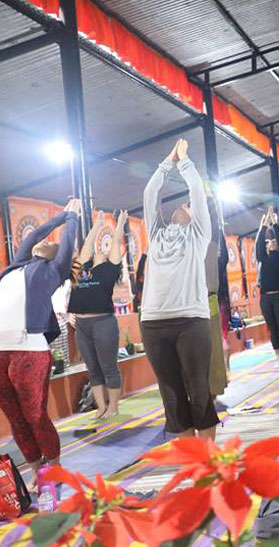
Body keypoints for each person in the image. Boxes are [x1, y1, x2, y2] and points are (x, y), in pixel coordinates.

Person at [140, 139, 219, 439]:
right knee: (170, 393)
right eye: (179, 205)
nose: (181, 207)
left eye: (186, 206)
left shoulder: (198, 235)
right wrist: (166, 162)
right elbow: (150, 194)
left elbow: (197, 193)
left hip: (191, 321)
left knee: (198, 388)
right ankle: (192, 458)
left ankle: (209, 456)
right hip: (153, 323)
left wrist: (184, 162)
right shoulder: (156, 235)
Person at [0, 199, 80, 484]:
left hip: (29, 352)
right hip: (1, 353)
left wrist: (72, 219)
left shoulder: (52, 270)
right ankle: (37, 473)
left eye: (50, 244)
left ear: (56, 255)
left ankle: (54, 469)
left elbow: (67, 243)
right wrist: (60, 216)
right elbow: (33, 236)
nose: (39, 244)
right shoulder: (17, 266)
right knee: (16, 420)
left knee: (35, 416)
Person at [68, 210, 127, 419]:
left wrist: (119, 224)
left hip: (103, 322)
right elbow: (86, 247)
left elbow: (116, 244)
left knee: (108, 366)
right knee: (92, 368)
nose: (101, 249)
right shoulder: (80, 268)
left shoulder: (110, 270)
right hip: (82, 326)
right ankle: (100, 407)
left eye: (105, 248)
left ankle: (113, 406)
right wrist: (98, 224)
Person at [255, 208, 279, 369]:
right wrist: (263, 226)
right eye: (268, 242)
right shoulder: (263, 258)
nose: (271, 244)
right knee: (273, 328)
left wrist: (274, 221)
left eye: (273, 241)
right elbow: (258, 245)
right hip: (266, 298)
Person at [205, 188, 229, 397]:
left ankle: (211, 392)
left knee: (212, 349)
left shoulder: (209, 241)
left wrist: (209, 197)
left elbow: (213, 218)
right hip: (187, 305)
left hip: (208, 300)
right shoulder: (183, 242)